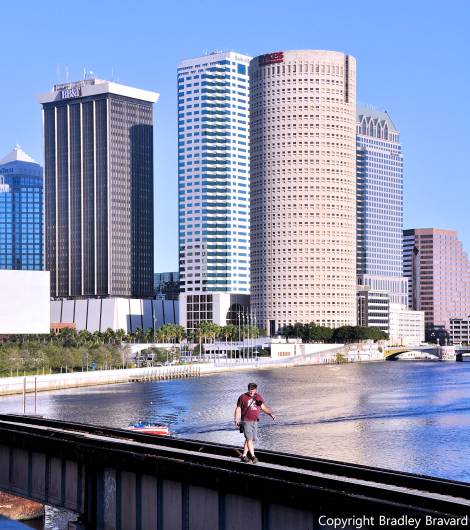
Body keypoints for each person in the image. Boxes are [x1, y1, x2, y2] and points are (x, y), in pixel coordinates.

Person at [234, 382, 275, 463]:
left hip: (255, 421)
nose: (251, 391)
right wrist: (236, 418)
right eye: (250, 390)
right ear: (248, 389)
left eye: (253, 390)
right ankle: (253, 456)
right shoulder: (242, 397)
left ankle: (244, 456)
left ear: (255, 390)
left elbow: (263, 407)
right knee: (249, 439)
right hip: (246, 421)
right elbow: (238, 408)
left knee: (251, 439)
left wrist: (271, 414)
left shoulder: (258, 397)